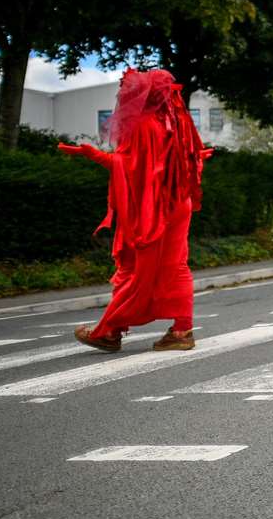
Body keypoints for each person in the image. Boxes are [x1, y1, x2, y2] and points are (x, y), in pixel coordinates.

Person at [60, 69, 209, 352]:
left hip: (154, 206)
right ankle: (180, 332)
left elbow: (128, 167)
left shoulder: (143, 124)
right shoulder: (177, 121)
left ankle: (109, 331)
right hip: (179, 201)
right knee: (176, 266)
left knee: (135, 268)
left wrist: (93, 155)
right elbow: (186, 160)